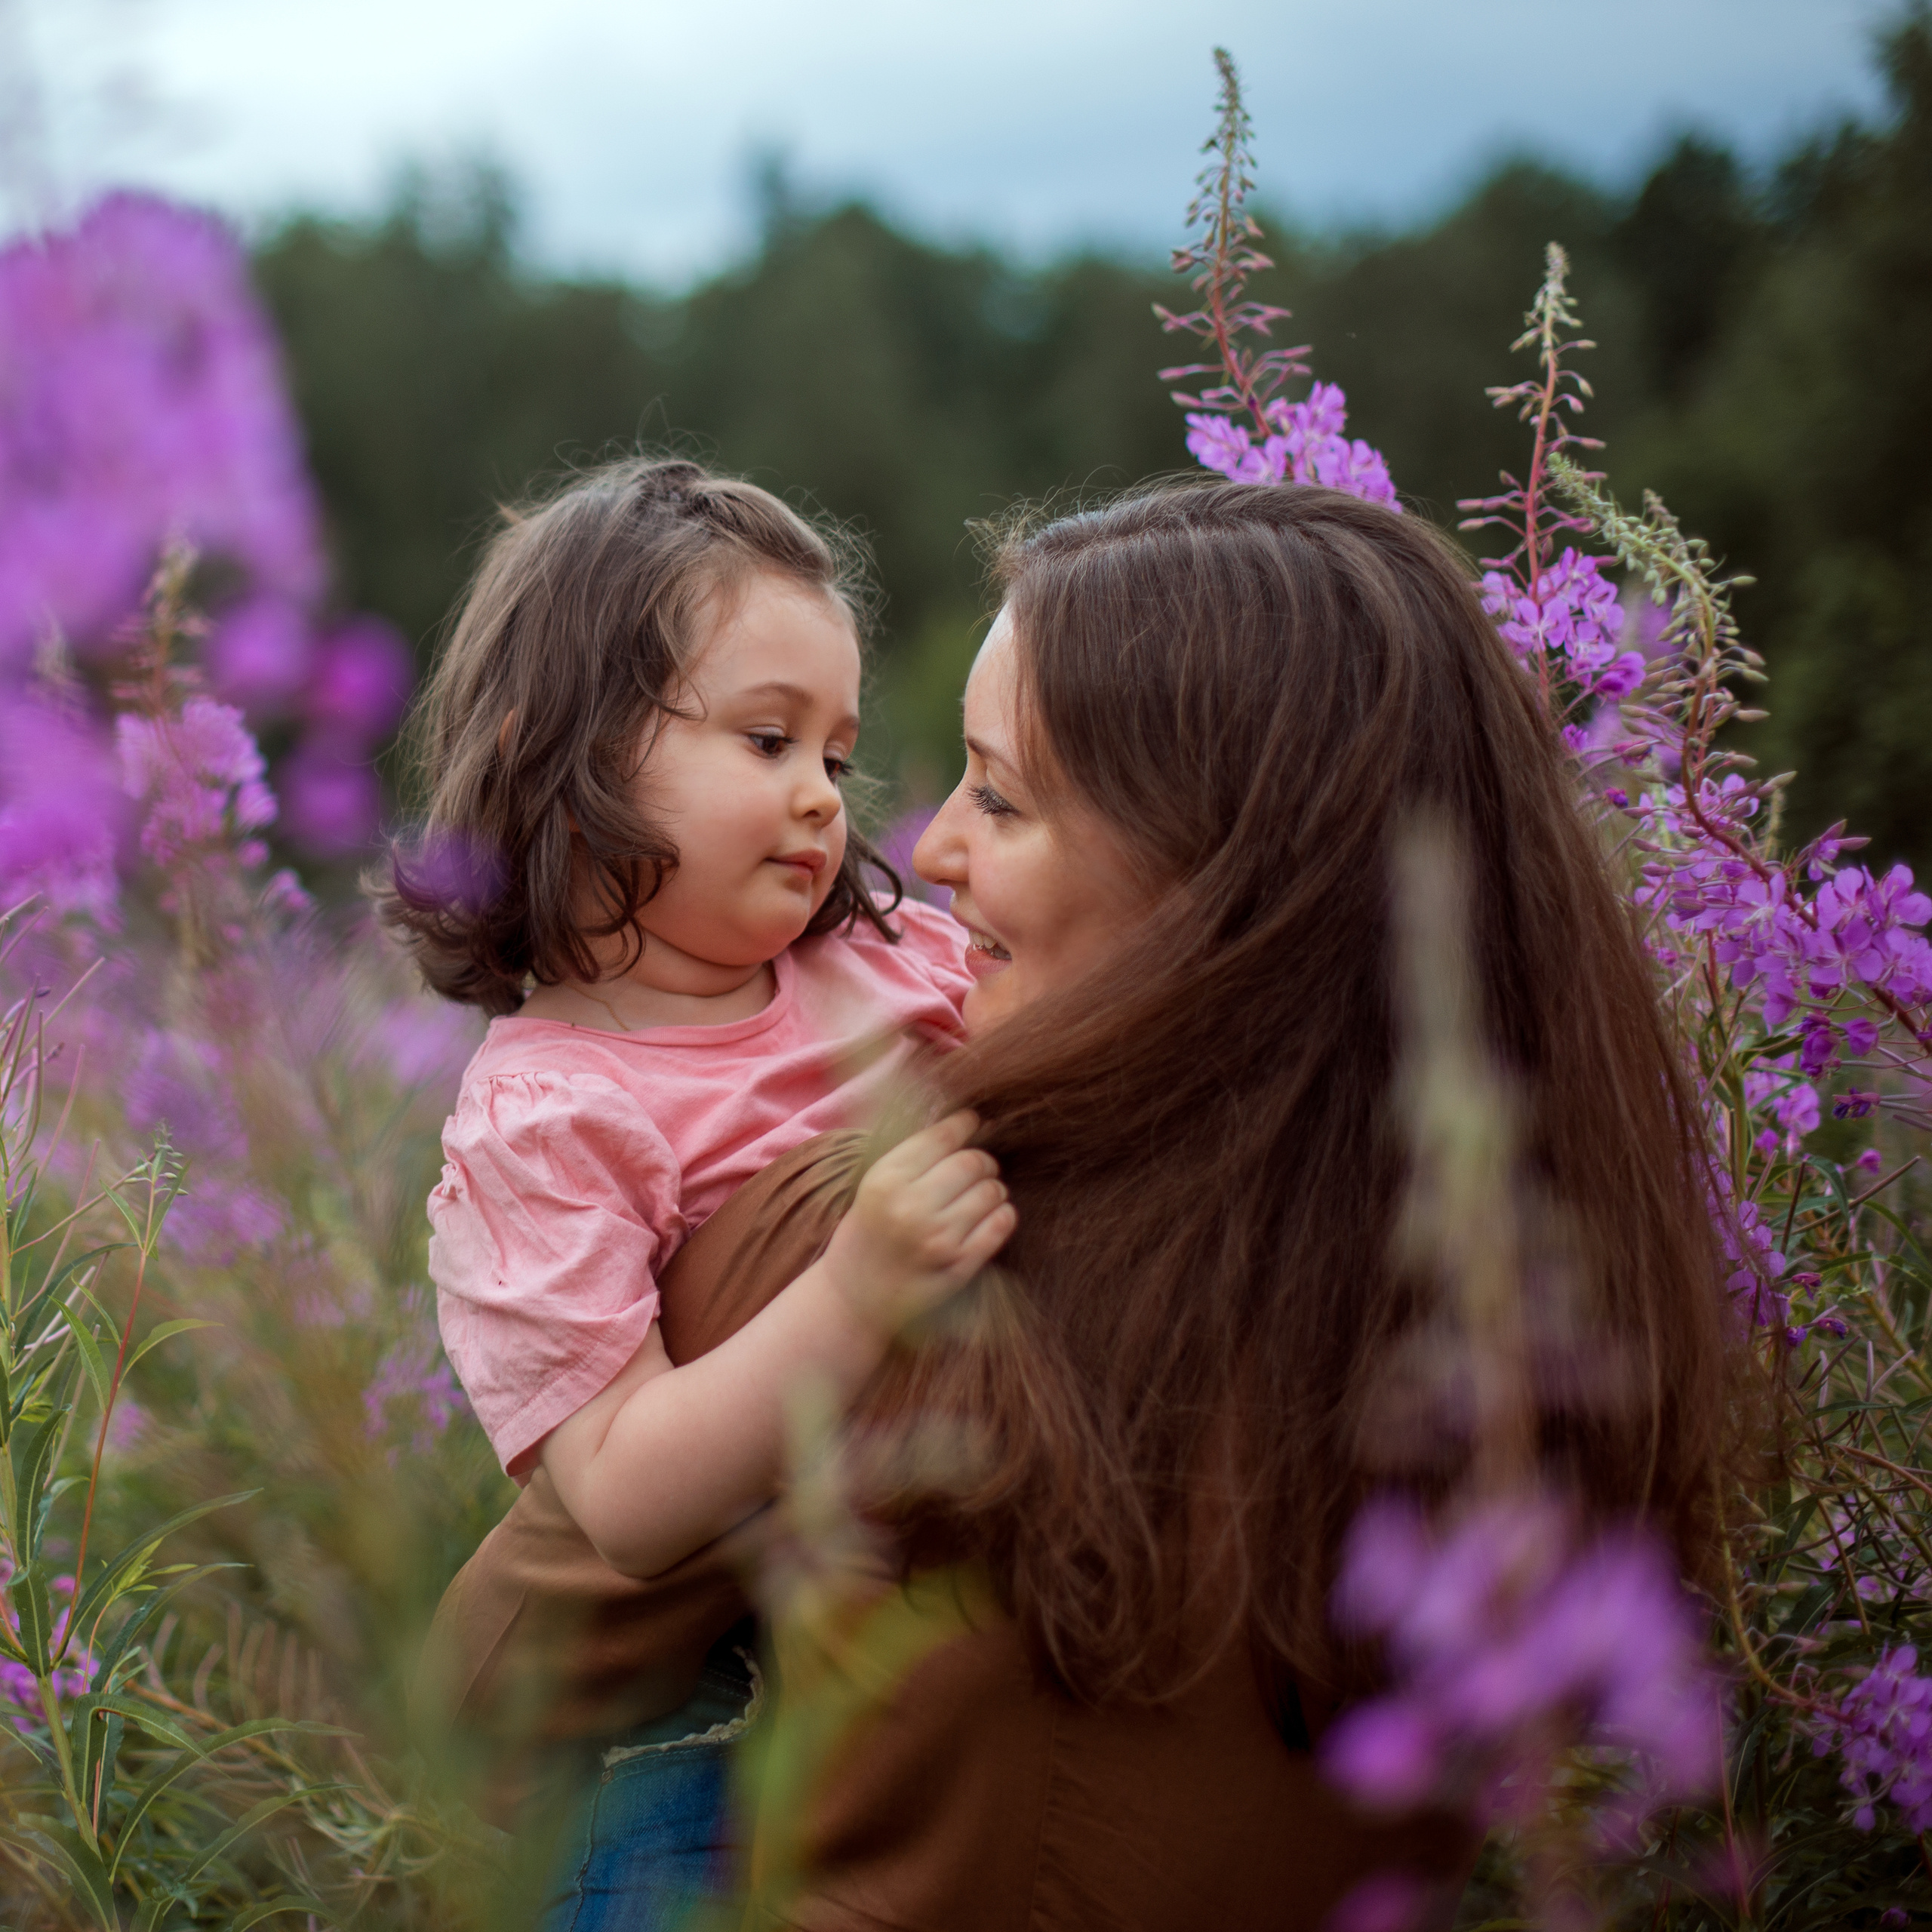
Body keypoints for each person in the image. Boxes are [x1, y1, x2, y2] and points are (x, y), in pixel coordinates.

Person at [725, 478, 1734, 1926]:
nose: (930, 847)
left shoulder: (909, 1264)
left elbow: (509, 1653)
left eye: (1000, 795)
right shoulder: (1509, 1333)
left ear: (1221, 886)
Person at [374, 456, 1013, 1930]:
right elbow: (628, 1499)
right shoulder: (550, 1119)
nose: (817, 796)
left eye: (838, 757)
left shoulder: (885, 957)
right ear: (562, 751)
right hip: (682, 1713)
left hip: (918, 1606)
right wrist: (856, 1289)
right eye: (768, 736)